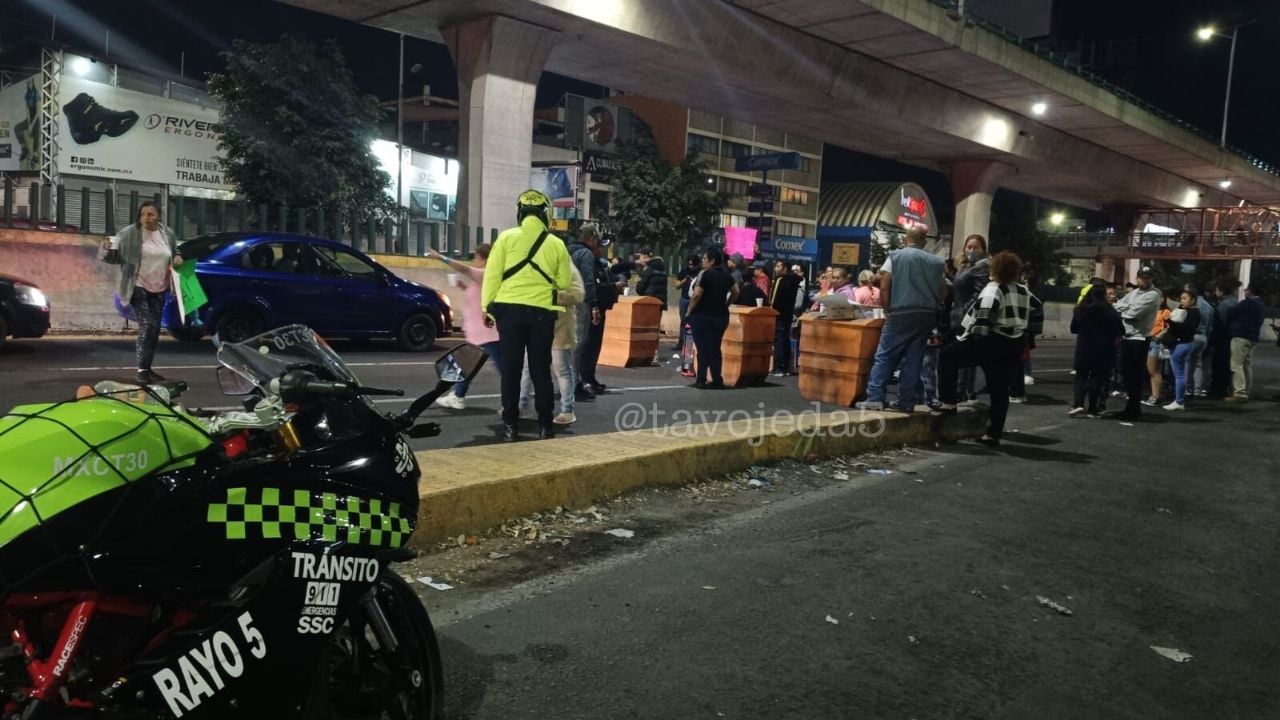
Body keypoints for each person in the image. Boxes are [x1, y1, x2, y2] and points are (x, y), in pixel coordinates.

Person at [482, 189, 572, 442]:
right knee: (540, 371)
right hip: (541, 313)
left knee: (510, 371)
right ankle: (546, 426)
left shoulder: (506, 238)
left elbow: (492, 276)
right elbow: (563, 282)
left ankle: (511, 427)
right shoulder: (556, 244)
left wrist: (487, 308)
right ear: (546, 213)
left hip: (508, 311)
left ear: (520, 212)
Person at [932, 251, 1032, 445]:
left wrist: (972, 340)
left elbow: (985, 316)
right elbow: (1036, 313)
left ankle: (948, 401)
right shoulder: (1023, 290)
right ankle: (994, 433)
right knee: (999, 387)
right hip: (1014, 342)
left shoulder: (993, 289)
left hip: (990, 338)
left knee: (947, 357)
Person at [856, 228, 945, 412]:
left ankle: (875, 399)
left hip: (901, 313)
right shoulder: (937, 262)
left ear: (905, 239)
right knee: (914, 359)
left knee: (884, 356)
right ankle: (906, 402)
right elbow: (943, 291)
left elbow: (885, 285)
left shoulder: (895, 257)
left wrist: (887, 309)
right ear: (925, 241)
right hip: (926, 314)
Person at [103, 200, 183, 384]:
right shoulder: (130, 233)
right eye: (143, 214)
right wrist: (108, 248)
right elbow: (113, 258)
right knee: (147, 325)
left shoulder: (167, 233)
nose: (146, 218)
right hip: (137, 285)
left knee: (154, 329)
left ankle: (147, 369)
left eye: (150, 214)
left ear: (159, 216)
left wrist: (178, 255)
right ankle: (141, 371)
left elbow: (174, 250)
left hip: (160, 287)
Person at [429, 244, 500, 410]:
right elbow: (481, 294)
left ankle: (518, 399)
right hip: (482, 333)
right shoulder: (485, 277)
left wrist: (441, 257)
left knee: (474, 367)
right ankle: (458, 396)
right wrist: (463, 286)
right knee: (467, 367)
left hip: (487, 333)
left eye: (475, 257)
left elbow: (464, 269)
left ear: (483, 259)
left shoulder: (486, 273)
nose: (473, 261)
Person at [520, 263, 586, 424]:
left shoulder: (567, 267)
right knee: (527, 367)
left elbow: (578, 294)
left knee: (562, 369)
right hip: (536, 324)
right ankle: (520, 405)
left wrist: (550, 295)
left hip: (560, 327)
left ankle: (567, 410)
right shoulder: (534, 265)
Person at [1112, 268, 1163, 421]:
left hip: (1139, 338)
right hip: (1128, 337)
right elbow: (1119, 305)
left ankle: (1134, 410)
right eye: (1141, 277)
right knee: (1127, 375)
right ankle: (1131, 408)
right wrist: (1125, 308)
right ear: (1137, 277)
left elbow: (1132, 315)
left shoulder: (1153, 295)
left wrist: (1125, 309)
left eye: (1147, 278)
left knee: (1134, 376)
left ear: (1151, 278)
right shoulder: (1135, 293)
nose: (1144, 281)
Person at [1068, 284, 1124, 417]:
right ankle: (1093, 408)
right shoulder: (1110, 311)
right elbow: (1121, 330)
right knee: (1097, 378)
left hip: (1084, 348)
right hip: (1104, 350)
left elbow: (1073, 329)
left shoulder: (1081, 310)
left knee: (1081, 377)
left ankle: (1078, 404)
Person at [686, 248, 738, 389]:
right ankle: (717, 379)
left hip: (703, 315)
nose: (702, 261)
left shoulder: (705, 274)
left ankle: (701, 379)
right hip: (720, 315)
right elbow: (736, 291)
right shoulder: (727, 275)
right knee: (715, 347)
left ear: (712, 261)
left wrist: (689, 311)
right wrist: (726, 304)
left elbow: (696, 295)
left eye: (704, 258)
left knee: (702, 347)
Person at [949, 234, 990, 403]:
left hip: (966, 317)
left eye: (975, 247)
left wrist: (966, 312)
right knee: (963, 355)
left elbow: (979, 293)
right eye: (969, 247)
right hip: (957, 314)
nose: (971, 251)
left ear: (983, 250)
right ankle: (965, 390)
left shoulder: (981, 266)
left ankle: (962, 390)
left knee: (963, 354)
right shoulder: (965, 266)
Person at [567, 223, 604, 402]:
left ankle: (567, 383)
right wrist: (594, 305)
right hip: (580, 302)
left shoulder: (567, 250)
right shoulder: (586, 254)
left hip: (563, 301)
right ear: (591, 238)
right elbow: (588, 281)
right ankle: (574, 385)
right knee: (579, 346)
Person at [1160, 289, 1203, 411]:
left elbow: (1185, 328)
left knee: (1179, 374)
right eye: (1181, 298)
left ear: (1192, 300)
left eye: (1185, 298)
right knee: (1178, 373)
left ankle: (1179, 401)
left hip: (1183, 344)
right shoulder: (1187, 311)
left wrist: (1169, 321)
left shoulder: (1193, 313)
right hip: (1180, 343)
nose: (1181, 301)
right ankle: (1178, 399)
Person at [1225, 283, 1265, 402]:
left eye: (1246, 290)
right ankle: (1246, 390)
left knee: (1236, 364)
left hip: (1241, 337)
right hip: (1253, 338)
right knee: (1247, 364)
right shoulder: (1261, 304)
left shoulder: (1247, 303)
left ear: (1251, 291)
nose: (1245, 292)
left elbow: (1231, 312)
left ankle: (1240, 392)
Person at [1142, 289, 1177, 406]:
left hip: (1156, 343)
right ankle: (1154, 395)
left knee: (1154, 370)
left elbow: (1169, 327)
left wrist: (1159, 335)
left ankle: (1157, 395)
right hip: (1148, 341)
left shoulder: (1165, 312)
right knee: (1151, 370)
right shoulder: (1152, 310)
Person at [770, 260, 801, 376]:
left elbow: (774, 299)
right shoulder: (795, 281)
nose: (775, 269)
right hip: (788, 313)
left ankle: (778, 367)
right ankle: (786, 366)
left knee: (778, 340)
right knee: (785, 339)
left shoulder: (780, 280)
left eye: (778, 266)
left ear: (784, 269)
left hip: (779, 314)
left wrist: (771, 310)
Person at [1210, 280, 1240, 396]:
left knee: (1219, 362)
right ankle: (1227, 385)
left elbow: (1223, 322)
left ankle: (1218, 388)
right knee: (1228, 362)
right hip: (1232, 336)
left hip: (1222, 337)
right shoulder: (1235, 301)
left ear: (1222, 292)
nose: (1215, 293)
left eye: (1217, 291)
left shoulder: (1223, 305)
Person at [674, 255, 700, 358]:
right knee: (683, 321)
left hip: (694, 299)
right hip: (684, 299)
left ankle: (691, 344)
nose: (691, 266)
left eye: (693, 264)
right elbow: (676, 285)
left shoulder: (700, 272)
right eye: (689, 264)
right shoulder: (684, 271)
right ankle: (681, 342)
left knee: (693, 321)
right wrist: (684, 281)